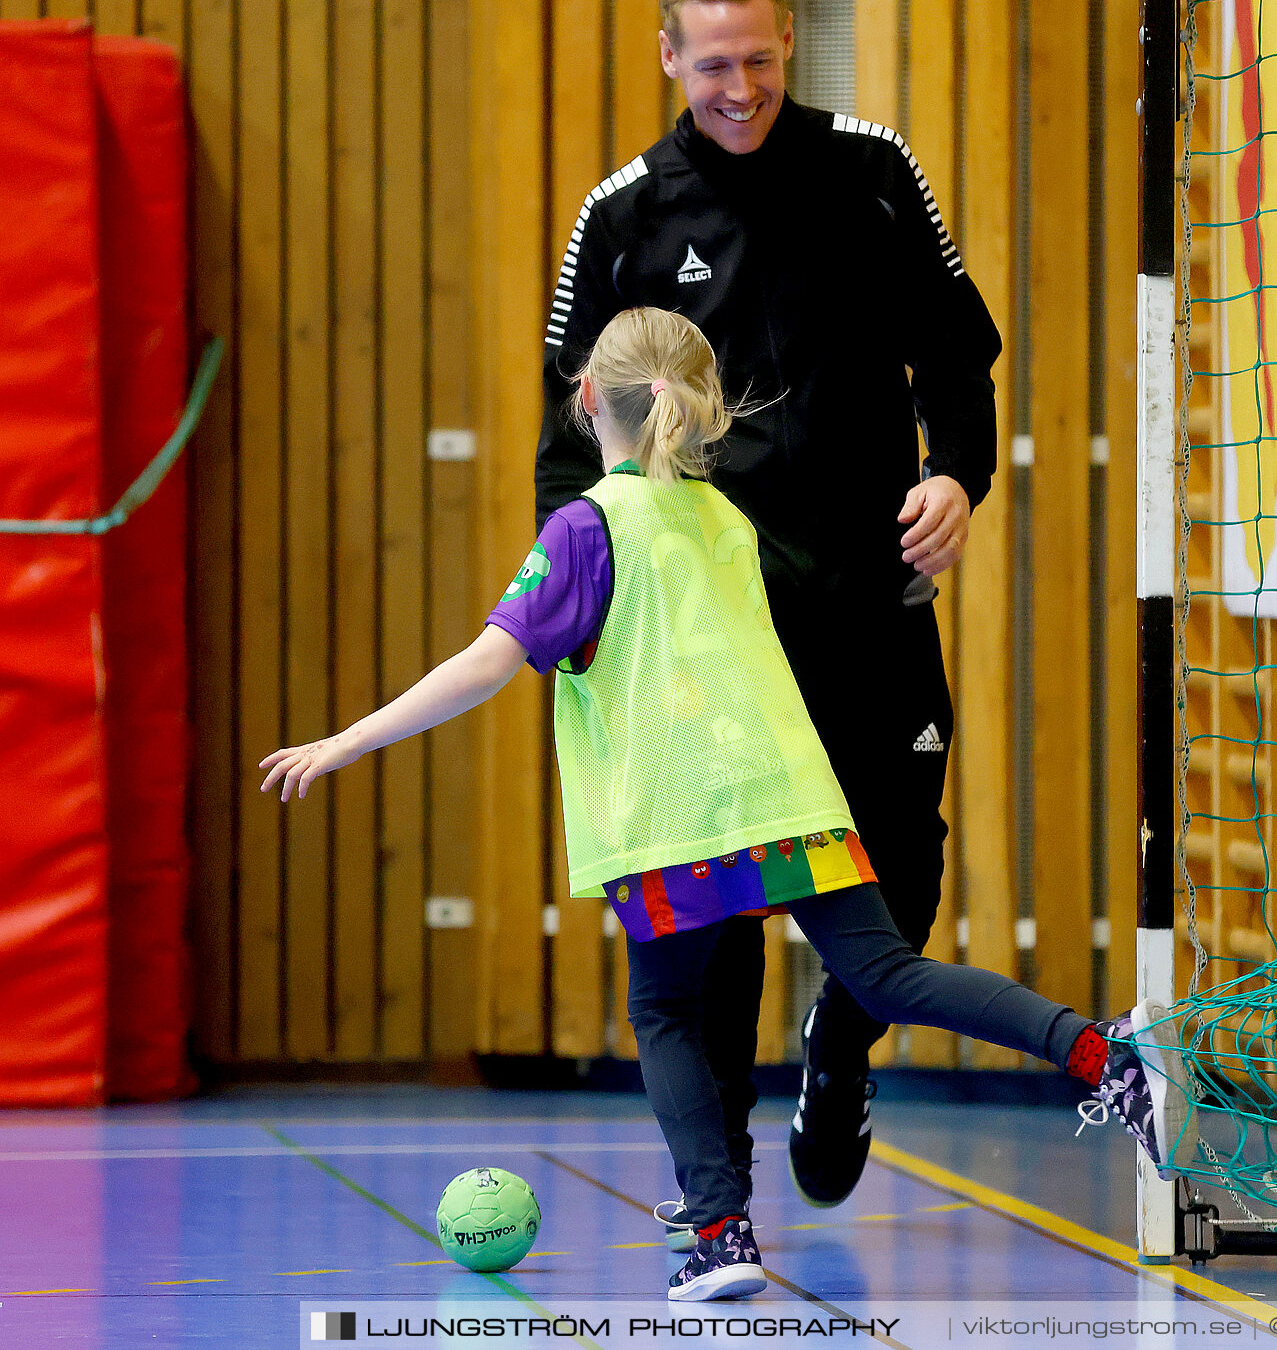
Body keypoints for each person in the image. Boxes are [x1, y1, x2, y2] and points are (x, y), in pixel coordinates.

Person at [262, 308, 1176, 1302]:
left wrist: (346, 739)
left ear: (584, 400)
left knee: (663, 1010)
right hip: (785, 790)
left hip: (676, 815)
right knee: (889, 974)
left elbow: (487, 664)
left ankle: (720, 1226)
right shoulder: (726, 519)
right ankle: (1105, 1053)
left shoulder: (583, 528)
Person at [534, 0, 1001, 1226]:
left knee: (902, 868)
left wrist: (958, 477)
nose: (739, 86)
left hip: (873, 596)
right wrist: (576, 618)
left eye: (759, 57)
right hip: (711, 634)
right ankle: (721, 1192)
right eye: (713, 63)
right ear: (672, 58)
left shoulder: (873, 172)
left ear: (787, 43)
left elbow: (959, 360)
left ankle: (842, 1051)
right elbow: (569, 438)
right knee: (720, 901)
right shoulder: (623, 216)